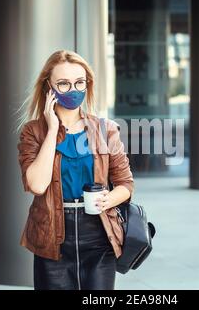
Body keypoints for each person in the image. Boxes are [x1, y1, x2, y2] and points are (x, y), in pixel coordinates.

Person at [17, 49, 134, 290]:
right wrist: (52, 130)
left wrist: (108, 198)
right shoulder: (33, 132)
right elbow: (37, 185)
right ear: (48, 87)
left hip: (99, 236)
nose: (73, 90)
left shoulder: (106, 129)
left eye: (79, 82)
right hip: (52, 239)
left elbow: (126, 185)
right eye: (63, 84)